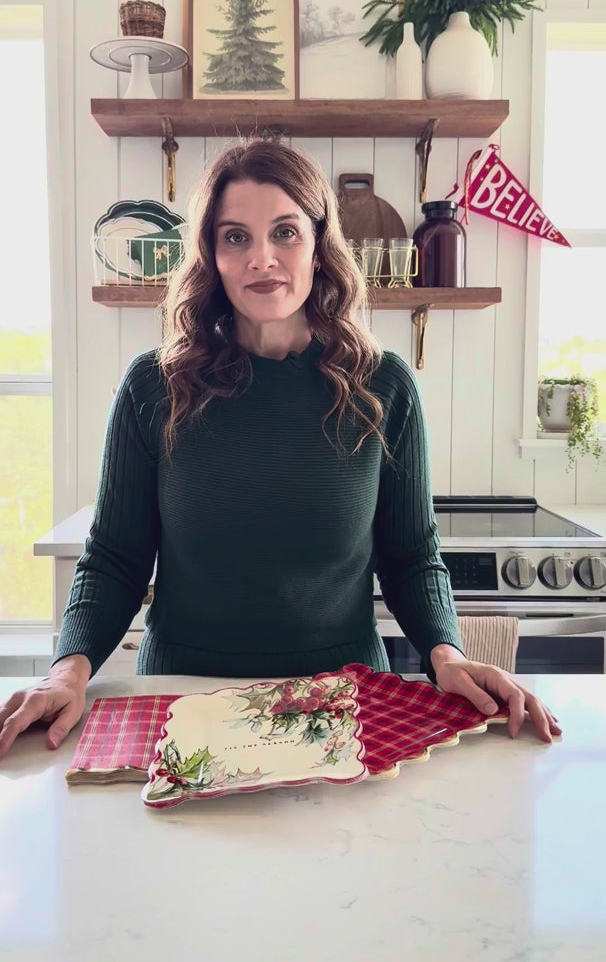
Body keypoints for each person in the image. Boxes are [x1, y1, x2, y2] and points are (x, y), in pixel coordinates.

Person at [0, 141, 561, 758]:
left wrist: (446, 654)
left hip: (343, 704)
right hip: (185, 702)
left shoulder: (384, 386)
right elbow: (114, 558)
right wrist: (67, 670)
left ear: (319, 245)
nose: (261, 258)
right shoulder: (153, 387)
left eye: (285, 232)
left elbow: (411, 557)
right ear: (212, 255)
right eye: (235, 237)